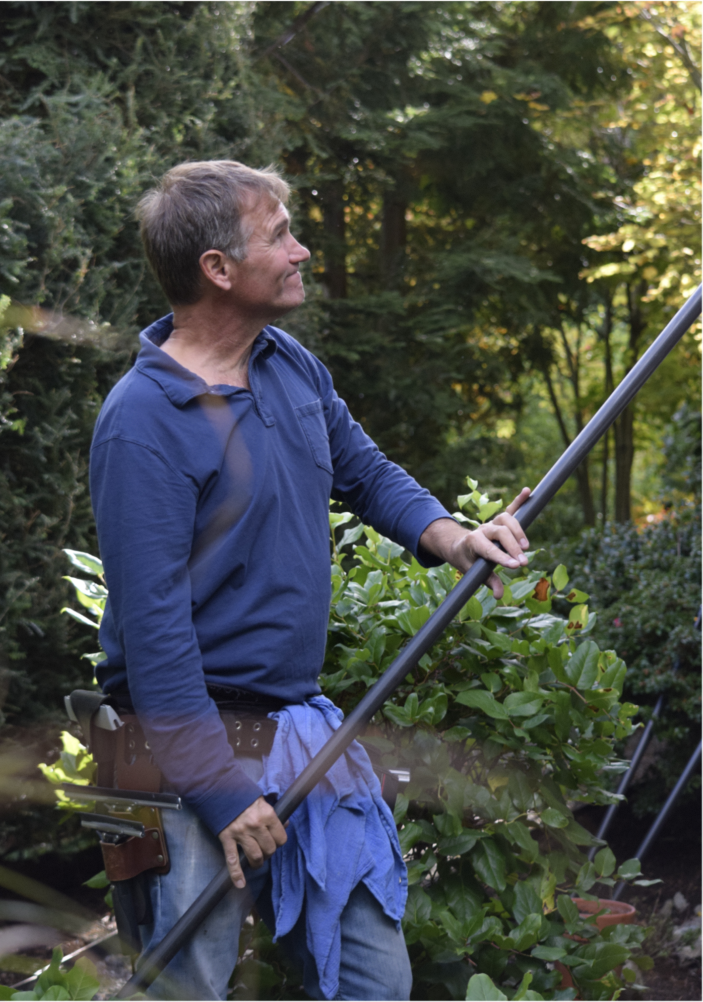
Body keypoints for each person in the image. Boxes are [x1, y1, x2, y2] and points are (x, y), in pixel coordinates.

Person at [89, 161, 531, 1002]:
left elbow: (363, 471)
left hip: (296, 728)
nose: (300, 251)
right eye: (280, 235)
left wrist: (452, 537)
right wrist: (222, 794)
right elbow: (154, 636)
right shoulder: (141, 424)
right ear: (218, 268)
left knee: (373, 978)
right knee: (191, 986)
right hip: (183, 750)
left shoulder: (286, 364)